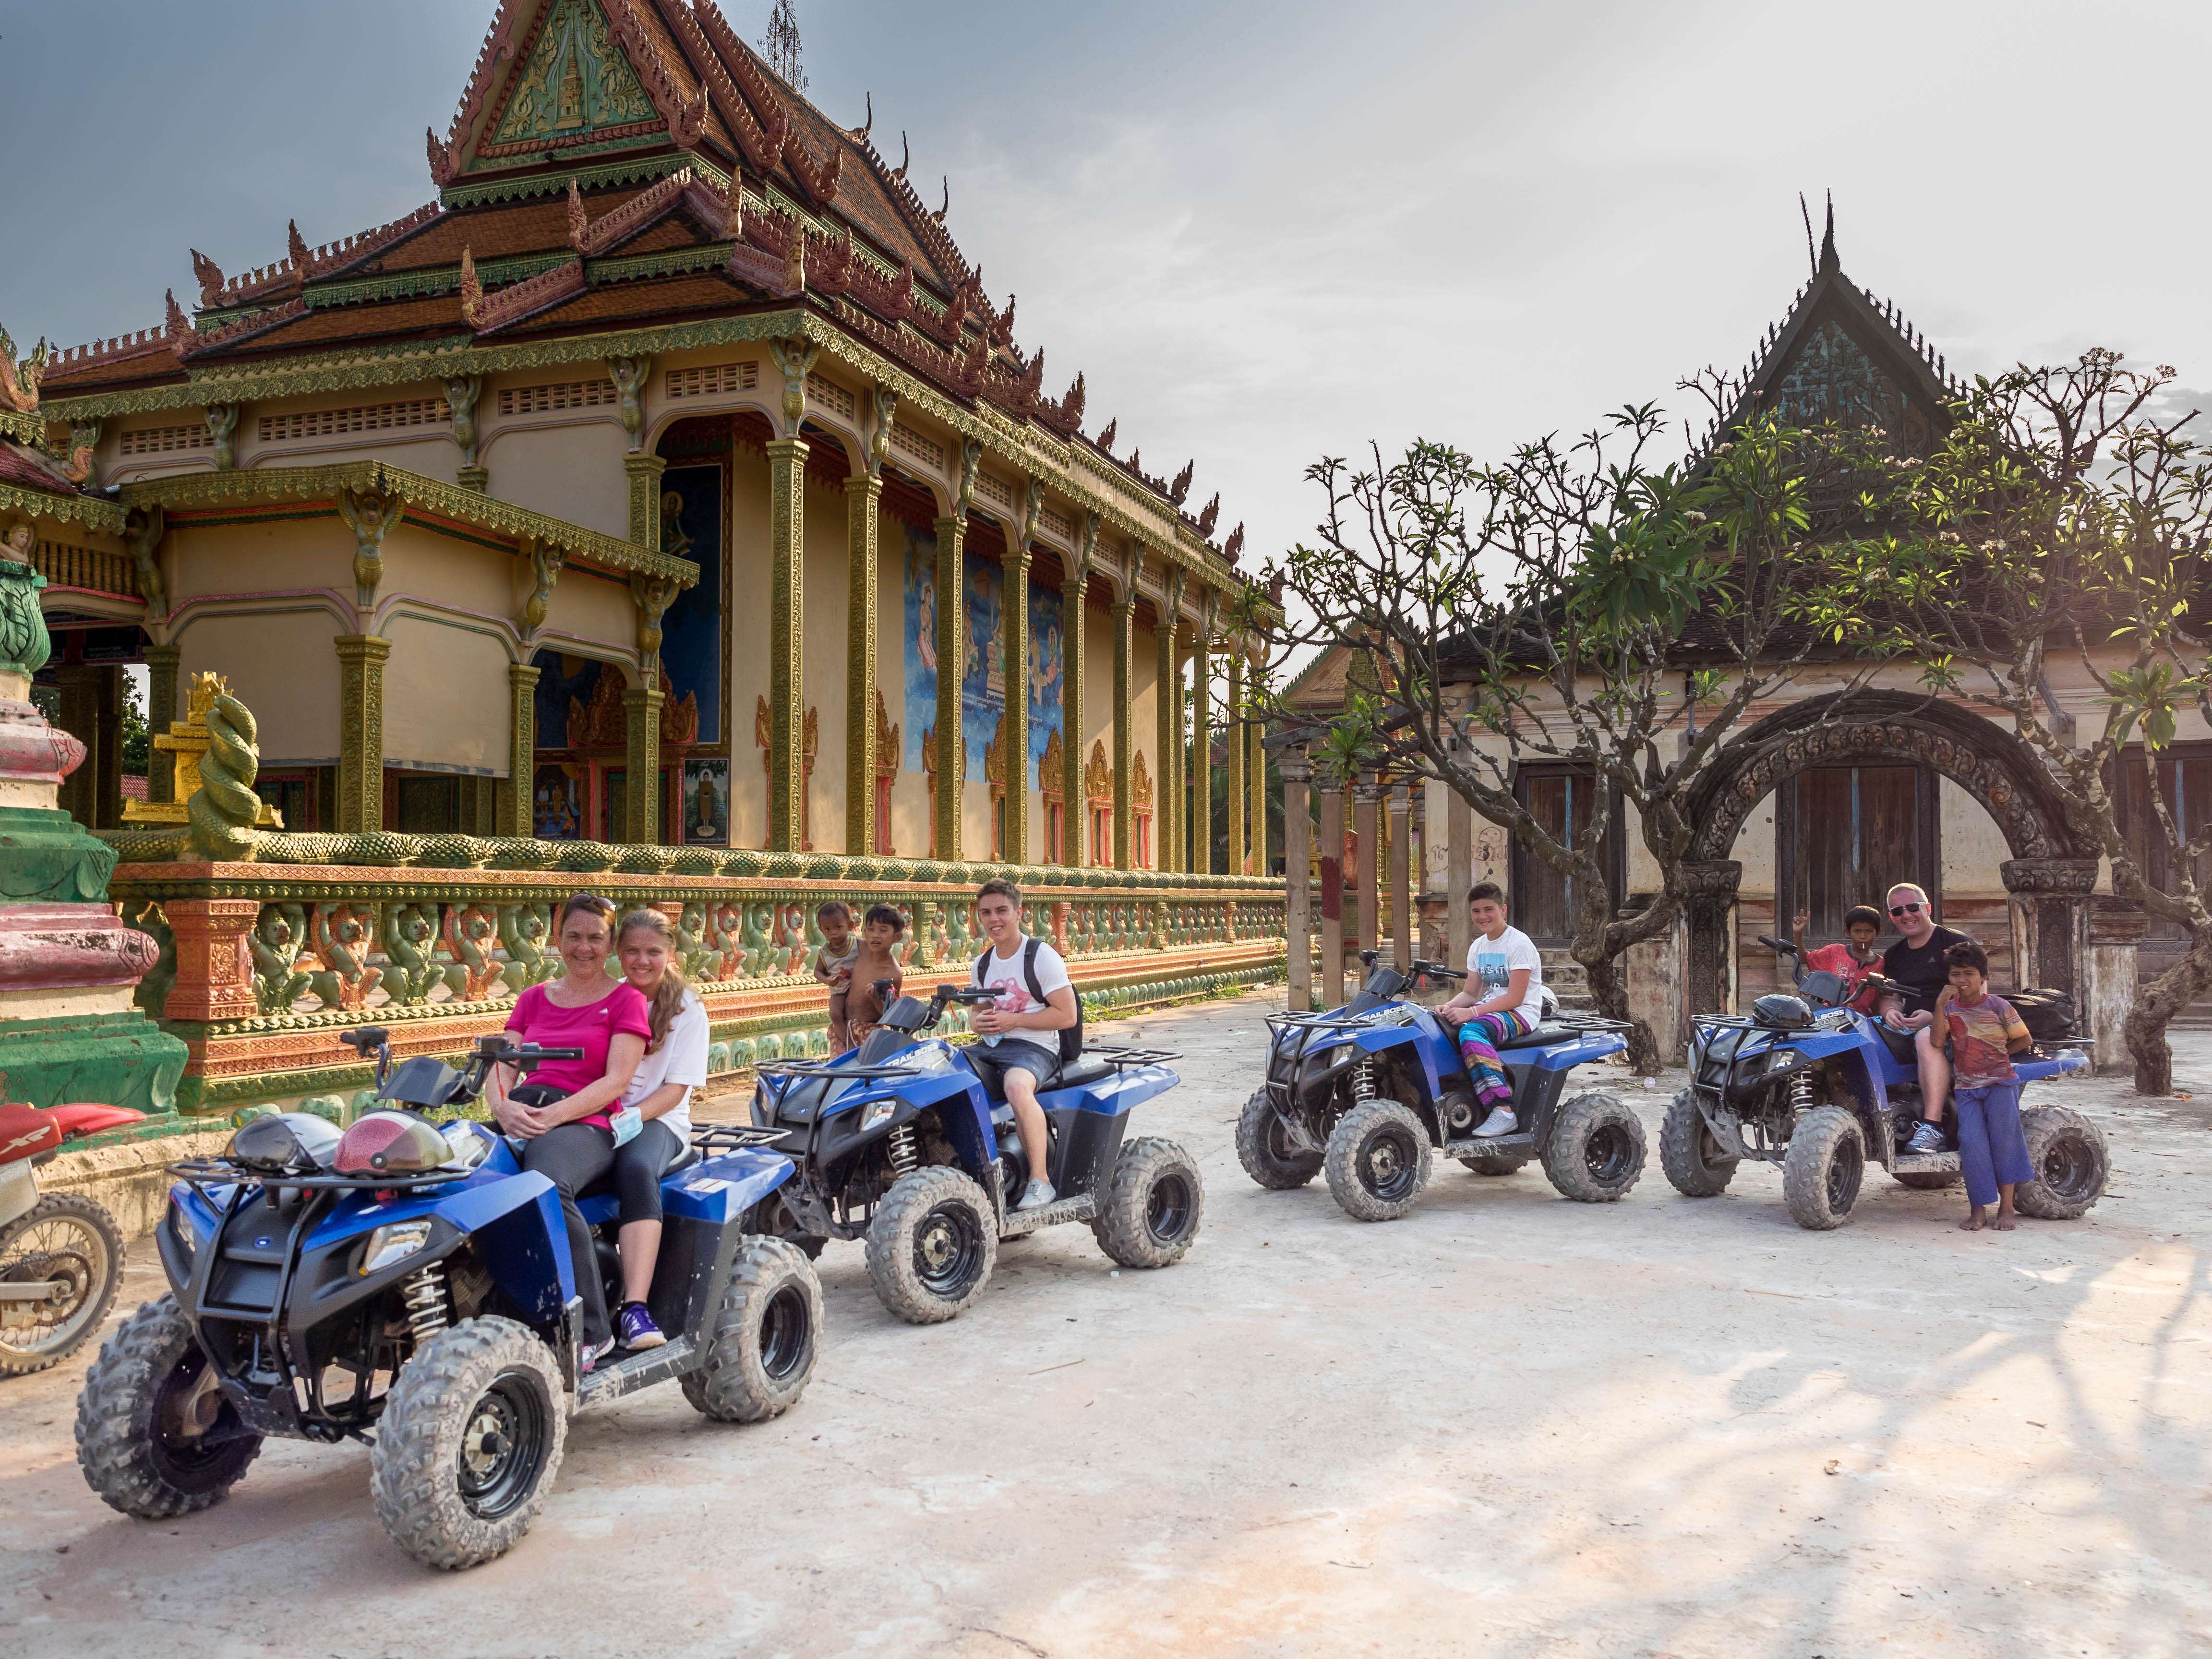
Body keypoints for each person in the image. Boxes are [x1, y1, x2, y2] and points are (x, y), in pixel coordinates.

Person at [491, 892, 650, 1370]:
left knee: (545, 1187)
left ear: (611, 943)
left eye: (596, 939)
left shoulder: (627, 1000)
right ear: (557, 940)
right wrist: (501, 1108)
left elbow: (617, 1081)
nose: (584, 948)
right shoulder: (533, 998)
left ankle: (593, 1331)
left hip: (587, 1124)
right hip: (524, 1114)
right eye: (574, 937)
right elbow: (503, 1064)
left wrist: (554, 1117)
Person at [603, 909, 711, 1351]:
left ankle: (636, 1307)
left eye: (653, 951)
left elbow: (676, 1089)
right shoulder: (607, 998)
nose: (641, 961)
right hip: (600, 1113)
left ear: (671, 954)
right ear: (618, 953)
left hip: (659, 1121)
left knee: (633, 1168)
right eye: (631, 951)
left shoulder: (687, 1008)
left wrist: (631, 1118)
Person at [967, 878, 1078, 1211]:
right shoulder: (982, 963)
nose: (994, 919)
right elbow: (977, 1013)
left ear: (1019, 912)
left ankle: (1040, 1181)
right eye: (986, 912)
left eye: (1002, 910)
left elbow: (1067, 1015)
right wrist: (977, 1023)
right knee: (946, 1076)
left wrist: (1014, 1021)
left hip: (1037, 1047)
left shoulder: (1041, 956)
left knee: (1016, 1087)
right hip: (993, 1047)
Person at [1938, 938, 2036, 1232]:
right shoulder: (1950, 1009)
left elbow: (2025, 1039)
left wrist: (1997, 1052)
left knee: (2005, 1144)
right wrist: (1939, 1004)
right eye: (1956, 974)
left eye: (1969, 973)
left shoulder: (1998, 1006)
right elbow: (1936, 1041)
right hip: (1967, 1090)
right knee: (1972, 1145)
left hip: (2000, 1085)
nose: (1962, 980)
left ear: (1983, 977)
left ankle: (2006, 1210)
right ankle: (1978, 1211)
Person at [1435, 882, 1546, 1137]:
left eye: (1489, 909)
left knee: (1471, 1033)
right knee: (1439, 1027)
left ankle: (1503, 1110)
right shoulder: (1478, 947)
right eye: (1476, 911)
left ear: (1503, 909)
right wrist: (1449, 1006)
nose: (1483, 917)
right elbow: (1471, 994)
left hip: (1521, 1013)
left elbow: (1516, 998)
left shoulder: (1519, 944)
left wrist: (1472, 1013)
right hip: (1492, 1010)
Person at [1876, 882, 1968, 1154]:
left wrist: (1935, 1017)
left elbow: (1977, 992)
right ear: (1892, 917)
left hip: (1957, 1025)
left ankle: (1932, 1127)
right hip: (1911, 1026)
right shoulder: (1894, 955)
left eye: (1913, 907)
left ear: (1927, 908)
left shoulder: (1954, 944)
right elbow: (1889, 995)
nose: (1907, 915)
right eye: (1897, 911)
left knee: (1928, 1040)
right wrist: (1890, 1010)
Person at [1790, 904, 1887, 1012]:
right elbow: (1804, 959)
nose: (1863, 937)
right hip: (1828, 1015)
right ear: (1848, 932)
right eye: (1857, 931)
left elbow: (1879, 999)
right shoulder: (1834, 951)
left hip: (1860, 1020)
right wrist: (1798, 934)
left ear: (1878, 932)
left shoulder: (1881, 964)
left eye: (1869, 931)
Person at [844, 904, 906, 1045]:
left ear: (897, 937)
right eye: (871, 930)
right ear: (864, 931)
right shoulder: (858, 948)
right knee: (838, 1066)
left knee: (866, 1067)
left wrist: (876, 999)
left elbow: (890, 1015)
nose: (875, 935)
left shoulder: (893, 973)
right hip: (844, 1027)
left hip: (871, 1031)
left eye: (883, 930)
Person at [813, 901, 859, 1052]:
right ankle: (849, 1044)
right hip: (839, 990)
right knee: (836, 1014)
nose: (833, 932)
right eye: (828, 929)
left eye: (838, 927)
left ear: (850, 926)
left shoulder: (858, 945)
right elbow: (818, 971)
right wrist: (828, 980)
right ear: (821, 930)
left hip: (857, 988)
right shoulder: (825, 952)